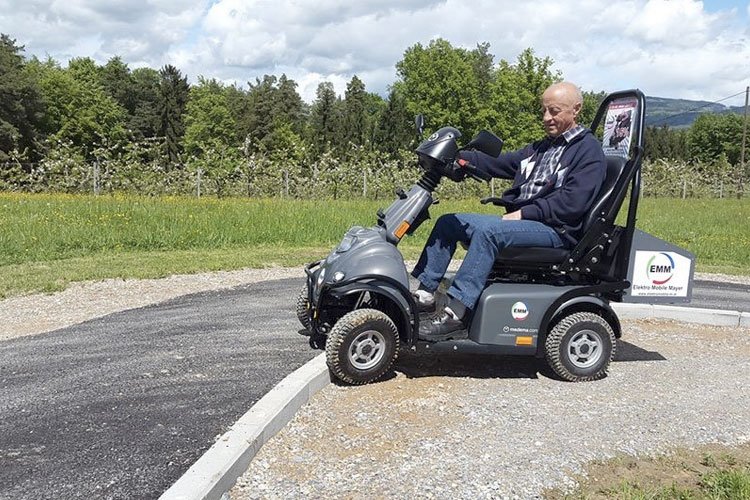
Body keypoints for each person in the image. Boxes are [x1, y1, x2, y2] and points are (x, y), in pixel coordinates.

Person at [413, 81, 607, 341]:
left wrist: (525, 214)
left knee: (491, 231)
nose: (546, 117)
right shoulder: (542, 148)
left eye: (554, 111)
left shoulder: (588, 151)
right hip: (526, 223)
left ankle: (455, 315)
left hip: (556, 230)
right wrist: (459, 157)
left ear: (576, 109)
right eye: (544, 110)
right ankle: (425, 297)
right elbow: (502, 163)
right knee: (450, 222)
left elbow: (572, 203)